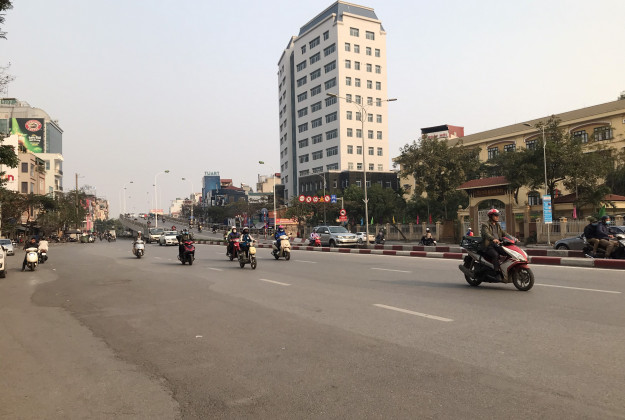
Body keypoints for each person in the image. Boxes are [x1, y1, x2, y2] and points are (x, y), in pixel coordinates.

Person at [480, 209, 510, 278]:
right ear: (491, 216)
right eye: (495, 215)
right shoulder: (485, 225)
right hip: (488, 245)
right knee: (495, 255)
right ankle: (496, 272)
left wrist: (512, 238)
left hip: (497, 245)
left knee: (507, 252)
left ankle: (504, 269)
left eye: (498, 215)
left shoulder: (497, 225)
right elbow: (486, 234)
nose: (497, 217)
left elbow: (503, 233)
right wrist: (493, 239)